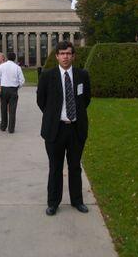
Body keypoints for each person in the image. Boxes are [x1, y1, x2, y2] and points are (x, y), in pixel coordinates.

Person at [37, 41, 91, 216]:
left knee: (75, 167)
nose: (65, 56)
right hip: (55, 129)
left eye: (68, 53)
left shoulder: (82, 75)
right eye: (62, 53)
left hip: (76, 129)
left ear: (73, 56)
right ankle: (53, 203)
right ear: (57, 56)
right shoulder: (47, 76)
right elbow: (41, 101)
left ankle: (77, 201)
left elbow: (86, 100)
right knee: (55, 168)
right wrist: (54, 115)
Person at [0, 52, 25, 133]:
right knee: (12, 110)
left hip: (4, 89)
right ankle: (11, 129)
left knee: (3, 109)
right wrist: (17, 87)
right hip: (13, 90)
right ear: (15, 58)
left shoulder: (2, 66)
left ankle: (3, 126)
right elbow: (22, 81)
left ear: (7, 57)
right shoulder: (17, 67)